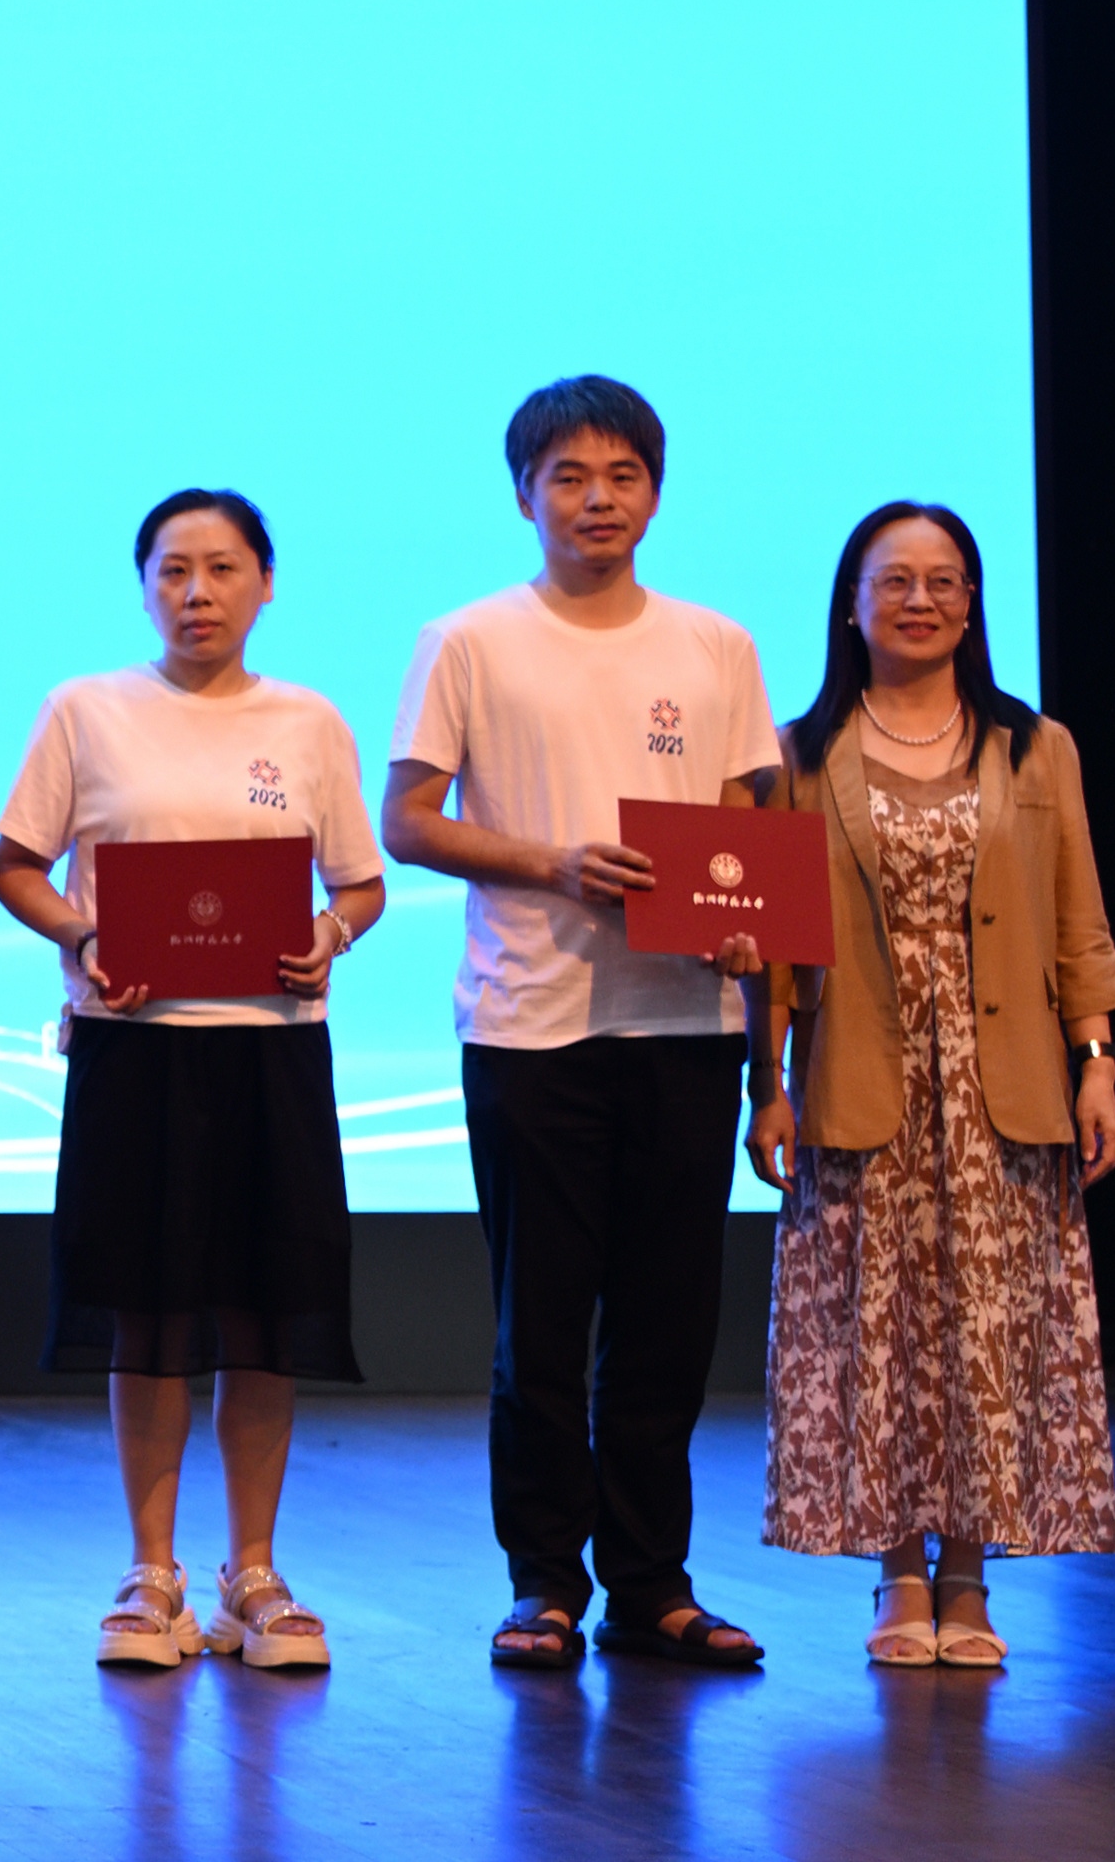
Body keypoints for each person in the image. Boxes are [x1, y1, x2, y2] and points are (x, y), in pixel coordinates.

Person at [382, 375, 783, 1673]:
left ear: (654, 494)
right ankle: (543, 1582)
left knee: (666, 1324)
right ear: (523, 495)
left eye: (621, 475)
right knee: (541, 1328)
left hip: (684, 1022)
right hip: (528, 1024)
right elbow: (407, 820)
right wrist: (550, 863)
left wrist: (740, 925)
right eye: (568, 475)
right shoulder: (467, 639)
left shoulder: (714, 645)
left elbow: (743, 833)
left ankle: (652, 1582)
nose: (596, 498)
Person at [0, 487, 392, 1676]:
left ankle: (249, 1573)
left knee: (264, 1310)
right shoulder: (85, 708)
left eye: (220, 567)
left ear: (264, 582)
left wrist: (330, 930)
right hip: (133, 1044)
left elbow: (359, 882)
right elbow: (15, 862)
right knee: (147, 1311)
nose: (195, 591)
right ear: (142, 586)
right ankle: (150, 1570)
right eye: (171, 569)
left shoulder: (306, 718)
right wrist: (79, 932)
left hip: (270, 1042)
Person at [751, 501, 1115, 1668]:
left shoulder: (1032, 744)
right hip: (858, 1081)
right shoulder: (793, 755)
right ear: (849, 604)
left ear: (970, 603)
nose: (919, 598)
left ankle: (964, 1574)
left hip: (998, 1087)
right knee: (878, 1335)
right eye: (893, 579)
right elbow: (772, 951)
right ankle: (894, 1575)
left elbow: (1076, 920)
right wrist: (762, 1083)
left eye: (943, 579)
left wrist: (1096, 1063)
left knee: (985, 1332)